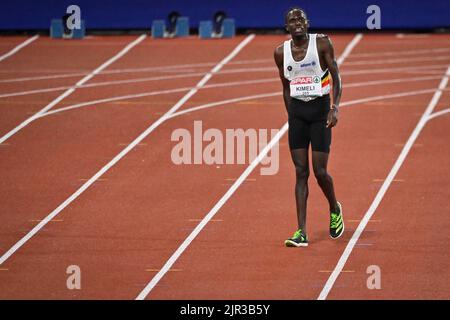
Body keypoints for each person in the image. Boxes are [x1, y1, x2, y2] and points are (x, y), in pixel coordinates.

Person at [273, 7, 344, 247]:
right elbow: (285, 86)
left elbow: (336, 75)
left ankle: (334, 208)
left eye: (301, 19)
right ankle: (301, 231)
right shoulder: (281, 53)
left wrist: (335, 108)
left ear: (308, 23)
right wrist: (290, 113)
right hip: (298, 115)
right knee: (300, 172)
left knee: (320, 172)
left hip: (321, 112)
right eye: (292, 20)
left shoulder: (322, 44)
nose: (297, 23)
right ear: (287, 27)